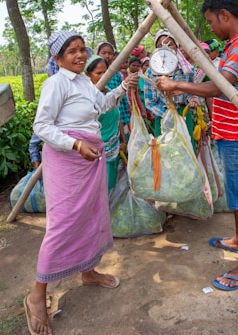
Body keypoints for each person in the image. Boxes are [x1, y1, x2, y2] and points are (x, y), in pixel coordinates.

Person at [24, 30, 138, 335]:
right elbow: (42, 125)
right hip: (68, 162)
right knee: (62, 225)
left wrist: (122, 89)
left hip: (90, 159)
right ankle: (37, 295)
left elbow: (100, 107)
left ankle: (88, 271)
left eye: (81, 50)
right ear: (58, 58)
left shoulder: (83, 83)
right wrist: (74, 145)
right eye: (72, 52)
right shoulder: (56, 83)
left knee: (90, 216)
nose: (79, 56)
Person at [156, 0, 238, 291]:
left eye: (212, 22)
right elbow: (216, 76)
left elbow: (220, 87)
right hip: (232, 132)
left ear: (224, 15)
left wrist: (178, 84)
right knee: (236, 194)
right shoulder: (235, 44)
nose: (212, 28)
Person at [144, 29, 199, 144]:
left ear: (176, 46)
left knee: (186, 149)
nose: (166, 47)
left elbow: (193, 91)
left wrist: (192, 100)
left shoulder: (187, 70)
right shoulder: (151, 73)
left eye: (170, 44)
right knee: (166, 153)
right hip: (163, 117)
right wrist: (167, 116)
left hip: (183, 115)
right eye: (160, 45)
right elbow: (149, 102)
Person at [84, 54, 127, 193]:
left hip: (113, 145)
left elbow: (117, 117)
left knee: (111, 183)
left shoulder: (109, 93)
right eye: (98, 73)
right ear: (88, 75)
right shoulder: (85, 97)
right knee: (99, 186)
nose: (103, 76)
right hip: (96, 149)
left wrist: (123, 139)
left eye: (105, 72)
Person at [96, 41, 131, 140]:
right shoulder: (92, 75)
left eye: (110, 53)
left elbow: (122, 97)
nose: (107, 56)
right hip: (102, 122)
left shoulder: (116, 74)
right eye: (104, 53)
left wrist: (127, 114)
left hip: (120, 116)